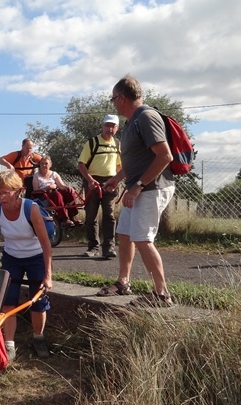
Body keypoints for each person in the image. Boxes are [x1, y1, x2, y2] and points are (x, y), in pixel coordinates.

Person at [100, 75, 175, 306]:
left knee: (143, 238)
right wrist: (118, 178)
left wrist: (138, 187)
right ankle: (123, 282)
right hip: (139, 189)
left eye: (113, 99)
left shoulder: (146, 117)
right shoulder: (132, 121)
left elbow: (165, 156)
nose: (113, 103)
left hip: (151, 189)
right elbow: (138, 160)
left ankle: (162, 295)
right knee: (124, 234)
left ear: (122, 98)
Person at [0, 171, 53, 360]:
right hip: (11, 258)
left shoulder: (31, 209)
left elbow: (46, 244)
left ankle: (38, 338)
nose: (2, 197)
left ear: (18, 191)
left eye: (6, 192)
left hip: (36, 256)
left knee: (38, 300)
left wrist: (48, 274)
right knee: (7, 301)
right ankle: (9, 345)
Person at [78, 114, 122, 258]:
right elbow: (81, 164)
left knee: (109, 215)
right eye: (107, 125)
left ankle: (109, 248)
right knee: (91, 216)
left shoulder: (118, 144)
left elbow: (120, 166)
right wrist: (90, 180)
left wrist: (117, 180)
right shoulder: (92, 143)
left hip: (110, 182)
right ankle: (93, 248)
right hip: (93, 183)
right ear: (102, 126)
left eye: (113, 126)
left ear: (117, 128)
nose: (110, 129)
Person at [32, 155, 81, 227]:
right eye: (42, 164)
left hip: (54, 193)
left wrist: (68, 187)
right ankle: (64, 219)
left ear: (50, 165)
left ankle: (72, 217)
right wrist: (47, 188)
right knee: (57, 194)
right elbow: (35, 190)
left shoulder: (54, 174)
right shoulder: (36, 176)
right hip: (43, 196)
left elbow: (62, 186)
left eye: (46, 163)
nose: (44, 165)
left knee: (69, 191)